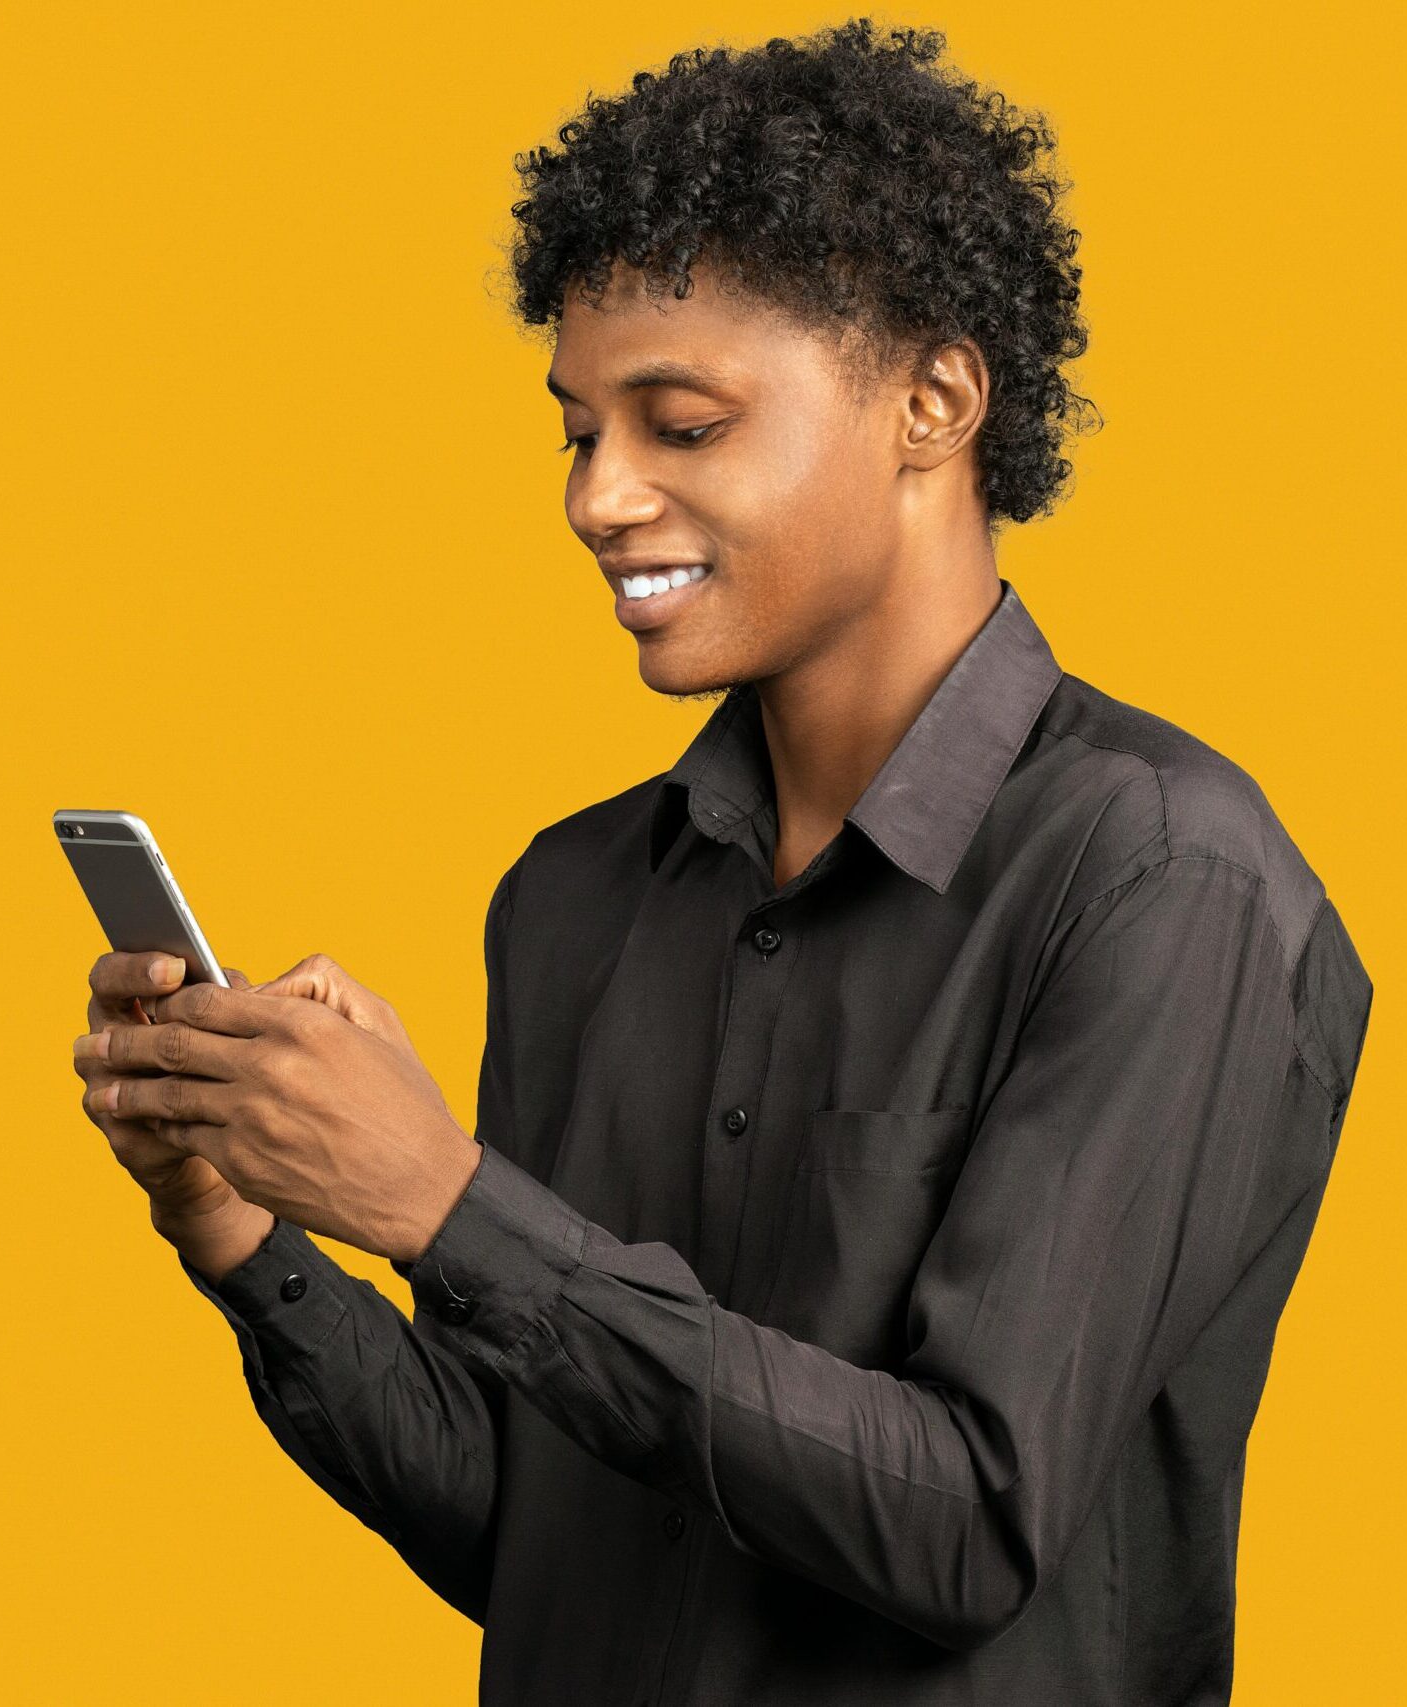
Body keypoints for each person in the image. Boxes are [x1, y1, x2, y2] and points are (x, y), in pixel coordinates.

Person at [71, 18, 1373, 1704]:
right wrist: (246, 1229)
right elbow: (536, 1540)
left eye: (679, 425)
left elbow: (973, 1524)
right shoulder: (571, 901)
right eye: (577, 430)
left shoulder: (1162, 883)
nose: (598, 497)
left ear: (936, 403)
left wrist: (451, 1204)